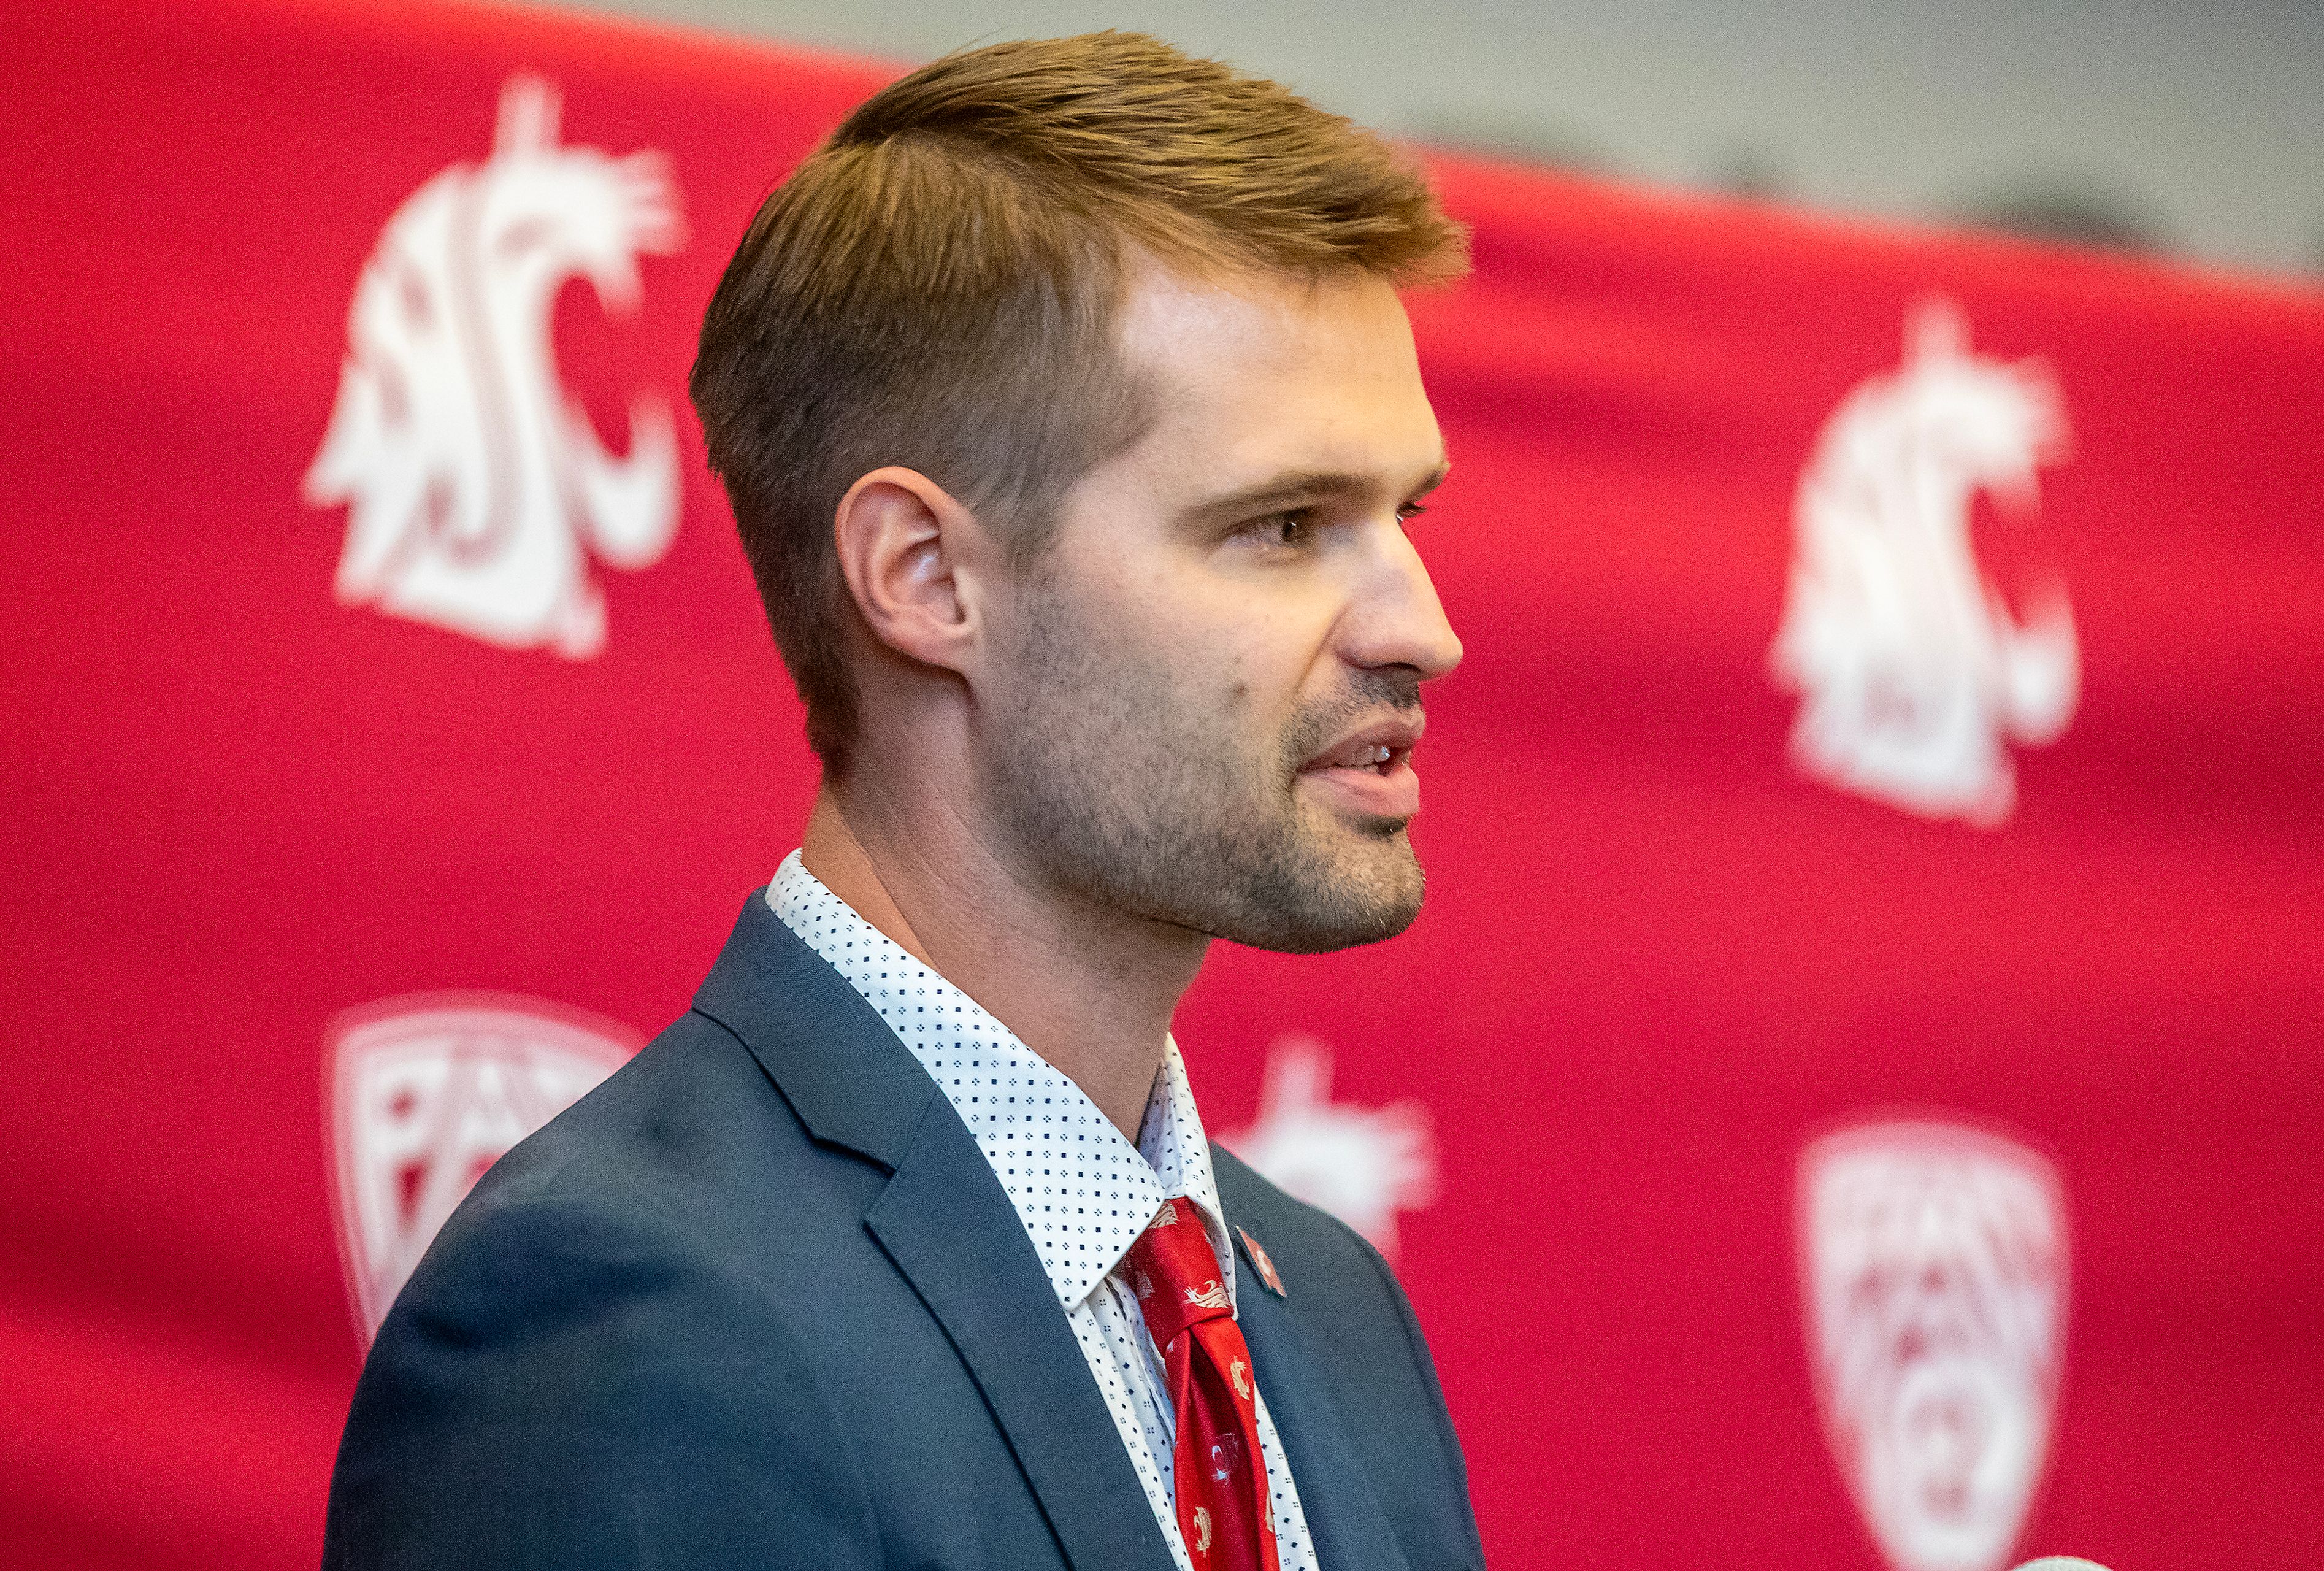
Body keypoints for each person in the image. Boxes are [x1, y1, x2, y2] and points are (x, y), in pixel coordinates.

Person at [324, 31, 1481, 1571]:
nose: (1422, 627)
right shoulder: (638, 1316)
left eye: (1400, 513)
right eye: (1280, 525)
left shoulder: (1330, 1306)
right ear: (927, 579)